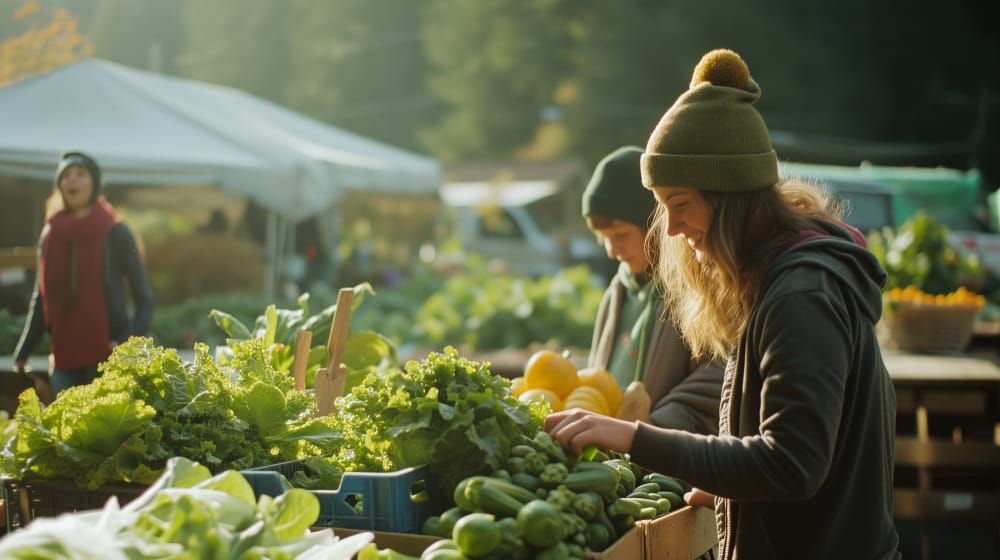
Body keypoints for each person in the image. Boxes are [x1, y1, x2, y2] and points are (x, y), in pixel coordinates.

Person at [547, 49, 899, 559]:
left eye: (680, 203)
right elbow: (791, 461)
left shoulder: (801, 296)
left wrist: (634, 437)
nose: (669, 228)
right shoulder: (771, 283)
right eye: (662, 206)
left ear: (730, 195)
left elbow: (792, 464)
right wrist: (737, 491)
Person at [581, 145, 723, 434]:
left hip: (667, 463)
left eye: (621, 235)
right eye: (604, 238)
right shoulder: (617, 290)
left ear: (657, 227)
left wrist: (655, 426)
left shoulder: (694, 289)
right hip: (613, 462)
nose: (612, 250)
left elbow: (718, 373)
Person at [13, 151, 154, 399]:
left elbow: (145, 300)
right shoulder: (51, 234)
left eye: (80, 174)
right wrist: (23, 352)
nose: (72, 180)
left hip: (108, 356)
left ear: (95, 184)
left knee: (107, 434)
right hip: (64, 356)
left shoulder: (116, 232)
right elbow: (41, 299)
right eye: (66, 175)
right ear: (60, 185)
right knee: (66, 432)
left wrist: (124, 341)